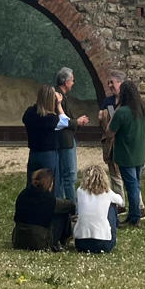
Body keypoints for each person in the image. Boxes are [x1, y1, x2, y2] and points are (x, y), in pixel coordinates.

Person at [110, 80, 145, 225]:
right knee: (136, 185)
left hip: (126, 155)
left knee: (131, 187)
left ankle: (134, 217)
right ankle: (136, 213)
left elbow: (110, 131)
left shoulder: (122, 112)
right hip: (139, 153)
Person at [12, 167, 73, 252]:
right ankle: (63, 241)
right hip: (39, 242)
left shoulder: (23, 194)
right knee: (63, 213)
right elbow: (69, 205)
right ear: (49, 183)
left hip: (18, 240)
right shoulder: (48, 199)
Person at [52, 67, 88, 203]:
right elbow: (61, 120)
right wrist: (77, 121)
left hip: (64, 139)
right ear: (66, 82)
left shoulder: (59, 94)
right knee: (69, 175)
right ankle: (71, 205)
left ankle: (61, 203)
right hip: (64, 141)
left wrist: (76, 121)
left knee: (61, 175)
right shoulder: (58, 96)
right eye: (72, 80)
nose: (73, 83)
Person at [71, 163, 123, 253]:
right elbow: (121, 201)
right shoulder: (107, 193)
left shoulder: (80, 191)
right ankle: (112, 232)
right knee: (112, 206)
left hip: (81, 243)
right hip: (103, 244)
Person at [22, 84, 64, 186]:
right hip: (48, 155)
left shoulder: (29, 113)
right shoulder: (51, 118)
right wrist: (59, 104)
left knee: (33, 184)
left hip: (34, 153)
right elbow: (65, 122)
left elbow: (26, 118)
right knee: (48, 185)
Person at [99, 70, 125, 199]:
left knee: (128, 176)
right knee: (114, 174)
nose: (109, 85)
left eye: (112, 82)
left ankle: (138, 206)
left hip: (124, 141)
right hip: (111, 141)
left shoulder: (127, 101)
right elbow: (102, 116)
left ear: (120, 83)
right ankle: (120, 202)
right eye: (108, 82)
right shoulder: (108, 101)